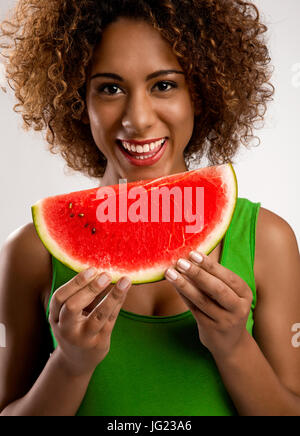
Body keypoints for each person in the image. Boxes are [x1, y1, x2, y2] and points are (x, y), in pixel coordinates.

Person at [0, 0, 299, 417]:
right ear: (76, 101)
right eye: (109, 88)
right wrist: (70, 365)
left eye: (164, 85)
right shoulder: (30, 252)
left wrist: (234, 346)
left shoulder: (267, 240)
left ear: (201, 94)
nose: (138, 119)